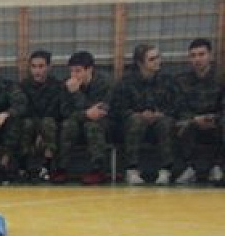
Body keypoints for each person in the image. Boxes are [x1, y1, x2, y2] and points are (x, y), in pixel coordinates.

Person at [111, 44, 179, 185]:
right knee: (136, 121)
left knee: (165, 123)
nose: (157, 61)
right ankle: (132, 169)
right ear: (140, 63)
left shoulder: (167, 81)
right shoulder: (126, 82)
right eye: (152, 59)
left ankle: (166, 170)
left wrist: (161, 114)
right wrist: (137, 114)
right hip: (133, 123)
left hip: (160, 121)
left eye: (158, 57)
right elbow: (118, 108)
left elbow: (176, 104)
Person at [56, 50, 112, 185]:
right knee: (68, 125)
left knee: (92, 125)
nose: (73, 75)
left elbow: (101, 111)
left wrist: (76, 94)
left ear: (89, 69)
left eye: (78, 71)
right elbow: (64, 112)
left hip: (103, 123)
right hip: (77, 121)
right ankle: (61, 168)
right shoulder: (66, 85)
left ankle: (98, 170)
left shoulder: (104, 83)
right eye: (71, 71)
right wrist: (85, 114)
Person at [173, 38, 222, 184]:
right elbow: (178, 106)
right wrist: (194, 119)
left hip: (216, 119)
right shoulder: (181, 81)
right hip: (192, 119)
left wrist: (214, 118)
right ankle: (189, 168)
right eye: (193, 55)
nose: (197, 59)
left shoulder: (221, 79)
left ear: (210, 56)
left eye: (201, 54)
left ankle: (218, 167)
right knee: (181, 125)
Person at [18, 50, 66, 180]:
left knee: (48, 122)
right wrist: (38, 131)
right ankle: (22, 167)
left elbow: (55, 111)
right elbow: (25, 110)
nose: (37, 71)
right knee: (25, 123)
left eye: (41, 66)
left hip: (49, 126)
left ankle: (47, 166)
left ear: (49, 67)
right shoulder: (23, 86)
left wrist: (41, 132)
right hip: (31, 126)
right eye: (33, 66)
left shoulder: (57, 87)